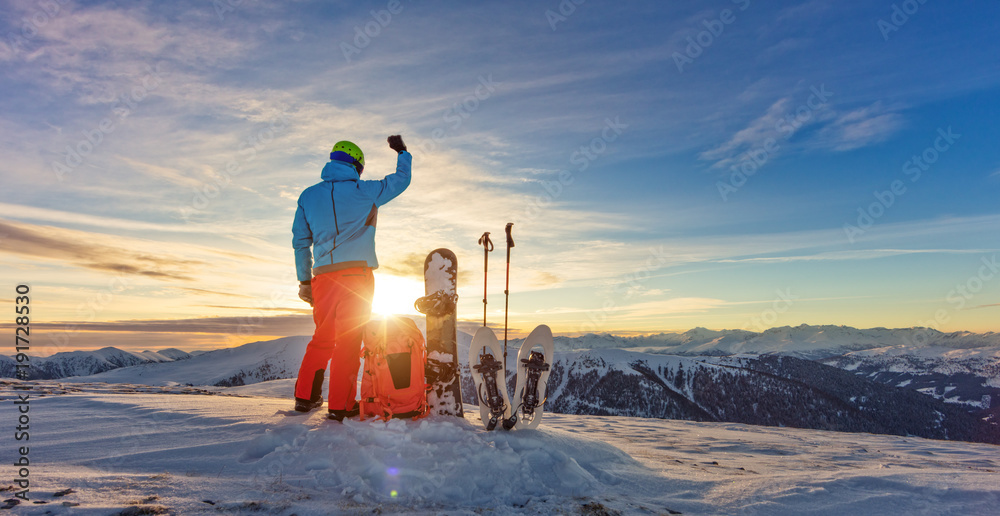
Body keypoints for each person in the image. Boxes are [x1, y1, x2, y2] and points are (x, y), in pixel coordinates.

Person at [292, 135, 411, 421]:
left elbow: (300, 242)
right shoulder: (366, 191)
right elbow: (401, 180)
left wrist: (305, 282)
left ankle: (305, 398)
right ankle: (341, 405)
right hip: (357, 276)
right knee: (348, 341)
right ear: (357, 166)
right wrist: (402, 152)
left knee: (322, 339)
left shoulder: (308, 196)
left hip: (322, 278)